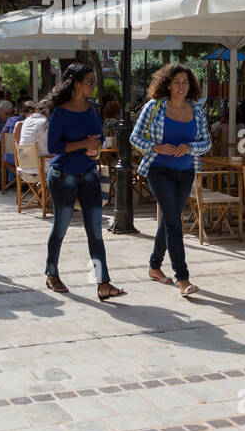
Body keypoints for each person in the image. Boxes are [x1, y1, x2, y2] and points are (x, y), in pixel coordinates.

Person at [41, 63, 125, 300]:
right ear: (76, 84)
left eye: (94, 82)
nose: (93, 86)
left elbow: (96, 140)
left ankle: (103, 282)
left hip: (89, 174)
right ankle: (51, 272)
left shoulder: (94, 108)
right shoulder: (60, 111)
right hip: (63, 176)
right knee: (61, 227)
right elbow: (53, 147)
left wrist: (95, 149)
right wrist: (83, 145)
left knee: (95, 231)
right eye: (89, 82)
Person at [130, 63, 212, 296]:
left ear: (191, 85)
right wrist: (155, 146)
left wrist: (190, 147)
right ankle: (182, 278)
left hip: (186, 171)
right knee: (174, 221)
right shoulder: (154, 107)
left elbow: (207, 143)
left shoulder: (196, 109)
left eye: (185, 82)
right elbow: (134, 137)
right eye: (176, 82)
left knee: (169, 219)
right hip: (159, 170)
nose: (181, 86)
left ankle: (154, 266)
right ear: (167, 84)